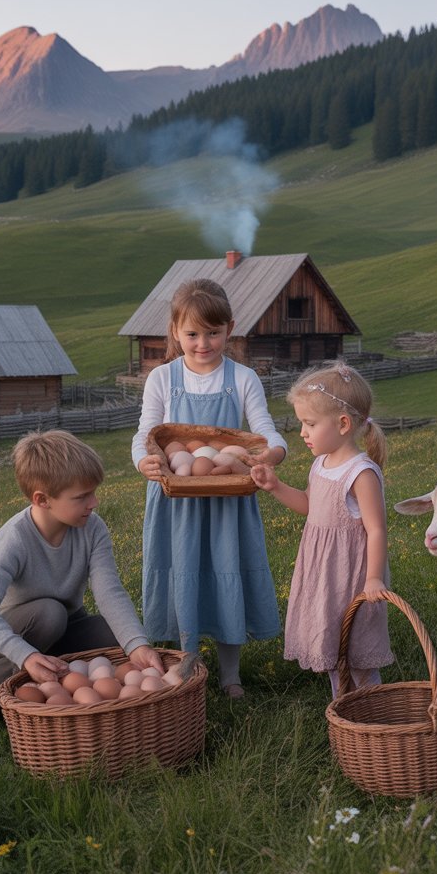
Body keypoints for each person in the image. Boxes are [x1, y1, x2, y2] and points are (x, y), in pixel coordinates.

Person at [0, 430, 165, 747]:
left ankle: (58, 683)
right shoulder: (14, 540)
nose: (94, 503)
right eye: (82, 496)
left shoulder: (93, 528)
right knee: (50, 613)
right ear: (42, 499)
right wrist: (25, 655)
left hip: (62, 626)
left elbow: (109, 591)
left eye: (93, 493)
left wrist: (137, 644)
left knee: (114, 637)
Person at [132, 278, 287, 699]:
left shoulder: (243, 378)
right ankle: (186, 664)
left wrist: (269, 458)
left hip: (227, 502)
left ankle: (230, 673)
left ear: (230, 329)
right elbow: (147, 434)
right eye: (192, 334)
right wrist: (145, 461)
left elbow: (269, 434)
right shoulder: (163, 378)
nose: (203, 343)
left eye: (214, 333)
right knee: (183, 574)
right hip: (176, 502)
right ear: (175, 331)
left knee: (226, 572)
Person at [250, 361, 393, 698]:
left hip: (350, 577)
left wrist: (373, 579)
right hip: (322, 575)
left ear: (343, 424)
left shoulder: (360, 473)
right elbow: (310, 506)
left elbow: (376, 530)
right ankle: (343, 709)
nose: (302, 432)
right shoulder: (321, 464)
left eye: (310, 424)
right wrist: (275, 486)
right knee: (332, 648)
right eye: (302, 423)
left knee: (355, 654)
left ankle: (373, 709)